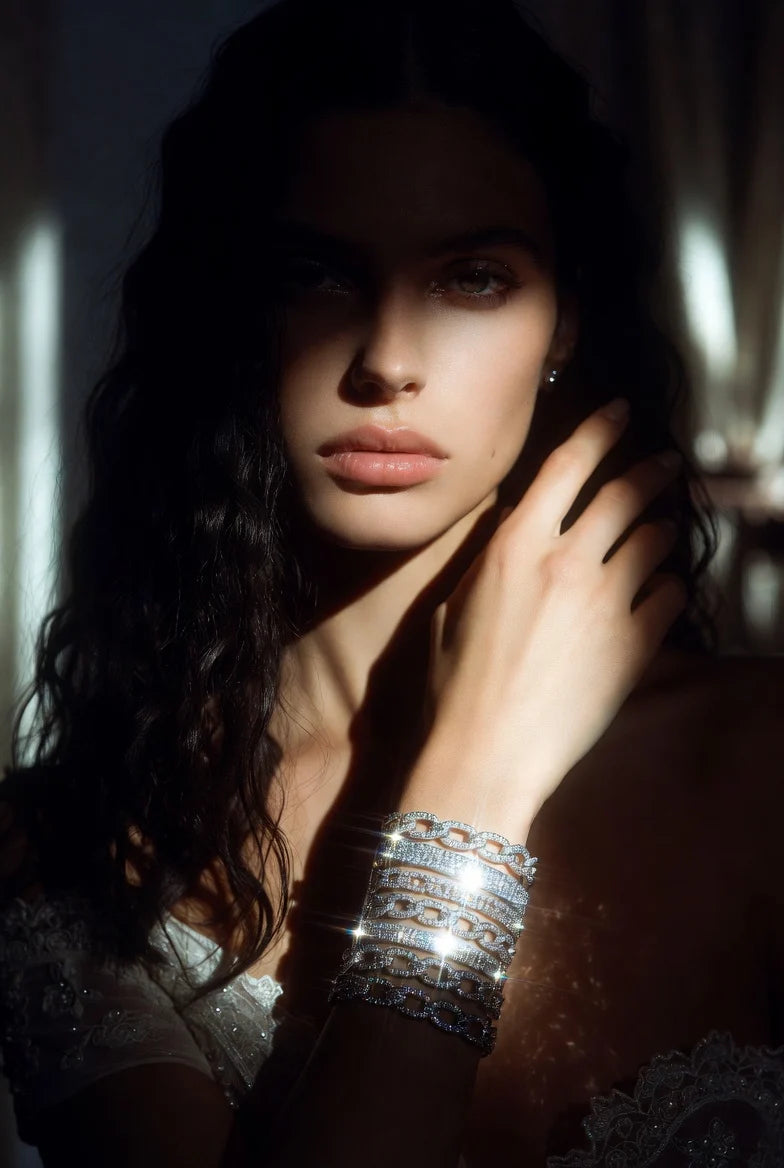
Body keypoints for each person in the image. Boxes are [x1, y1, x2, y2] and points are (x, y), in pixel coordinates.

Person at [1, 0, 783, 1164]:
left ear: (562, 317)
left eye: (471, 277)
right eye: (318, 273)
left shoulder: (762, 758)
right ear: (234, 307)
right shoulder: (69, 843)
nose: (385, 362)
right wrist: (471, 786)